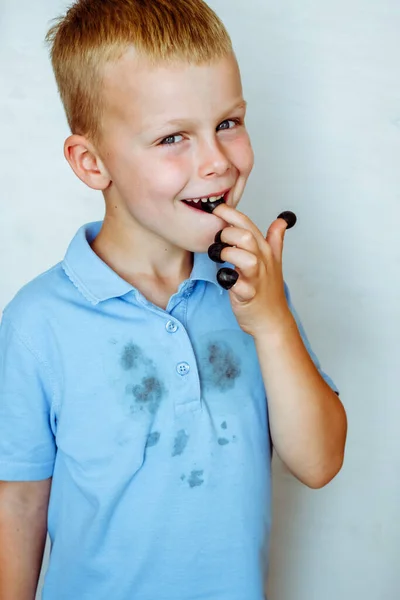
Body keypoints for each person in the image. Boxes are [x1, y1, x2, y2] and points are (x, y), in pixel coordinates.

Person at [0, 1, 347, 599]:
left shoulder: (255, 294)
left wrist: (270, 324)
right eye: (172, 137)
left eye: (229, 123)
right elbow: (21, 506)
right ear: (92, 162)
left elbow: (318, 464)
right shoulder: (37, 323)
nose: (217, 162)